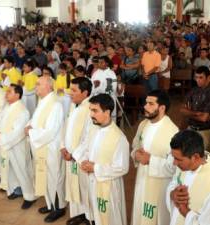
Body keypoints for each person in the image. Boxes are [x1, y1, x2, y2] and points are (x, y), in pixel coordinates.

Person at [80, 94, 129, 225]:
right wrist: (84, 160)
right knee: (96, 217)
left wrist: (94, 168)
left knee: (109, 219)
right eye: (90, 110)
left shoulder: (119, 137)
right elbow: (87, 148)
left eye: (95, 110)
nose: (91, 114)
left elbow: (122, 167)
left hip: (109, 187)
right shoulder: (94, 129)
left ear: (107, 112)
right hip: (93, 182)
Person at [131, 90, 178, 225]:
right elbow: (135, 145)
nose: (145, 106)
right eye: (146, 103)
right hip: (142, 178)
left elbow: (174, 167)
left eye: (151, 104)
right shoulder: (143, 124)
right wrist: (136, 154)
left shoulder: (173, 132)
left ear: (162, 108)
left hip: (160, 185)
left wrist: (150, 160)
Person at [166, 130, 210, 225]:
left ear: (195, 157)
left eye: (178, 159)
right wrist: (172, 194)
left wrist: (186, 212)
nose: (174, 163)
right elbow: (174, 182)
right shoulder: (184, 166)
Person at [25, 76, 66, 222]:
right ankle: (50, 204)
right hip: (41, 145)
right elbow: (35, 120)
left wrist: (30, 131)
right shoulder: (43, 101)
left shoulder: (55, 104)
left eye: (38, 84)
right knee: (45, 176)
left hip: (50, 147)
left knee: (54, 177)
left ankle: (59, 207)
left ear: (48, 87)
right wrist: (29, 126)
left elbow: (50, 131)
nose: (35, 87)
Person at [0, 84, 36, 209]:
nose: (6, 94)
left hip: (17, 146)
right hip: (6, 144)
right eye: (6, 92)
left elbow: (18, 132)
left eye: (9, 92)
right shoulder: (8, 107)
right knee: (10, 169)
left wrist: (2, 137)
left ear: (17, 95)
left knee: (22, 170)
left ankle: (29, 196)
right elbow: (1, 121)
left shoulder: (23, 110)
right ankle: (16, 189)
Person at [61, 77, 94, 224]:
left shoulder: (90, 109)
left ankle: (89, 216)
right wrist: (63, 146)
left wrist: (74, 154)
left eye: (74, 90)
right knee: (75, 186)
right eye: (70, 89)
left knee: (85, 187)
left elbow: (89, 137)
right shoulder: (74, 105)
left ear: (85, 92)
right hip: (70, 155)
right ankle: (79, 213)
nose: (70, 93)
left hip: (81, 157)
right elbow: (66, 127)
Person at [180, 66, 210, 151]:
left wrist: (189, 113)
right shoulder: (194, 90)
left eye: (201, 77)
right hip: (190, 128)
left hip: (204, 131)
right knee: (186, 152)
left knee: (200, 156)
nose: (198, 80)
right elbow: (182, 110)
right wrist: (196, 113)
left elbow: (203, 118)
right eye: (196, 77)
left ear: (208, 78)